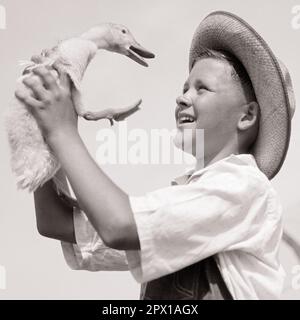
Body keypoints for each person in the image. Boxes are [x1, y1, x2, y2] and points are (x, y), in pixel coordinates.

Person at [15, 11, 295, 299]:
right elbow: (54, 221)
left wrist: (62, 131)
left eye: (202, 89)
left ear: (247, 115)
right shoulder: (190, 201)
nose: (183, 97)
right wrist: (40, 130)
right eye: (185, 87)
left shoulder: (245, 187)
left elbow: (118, 225)